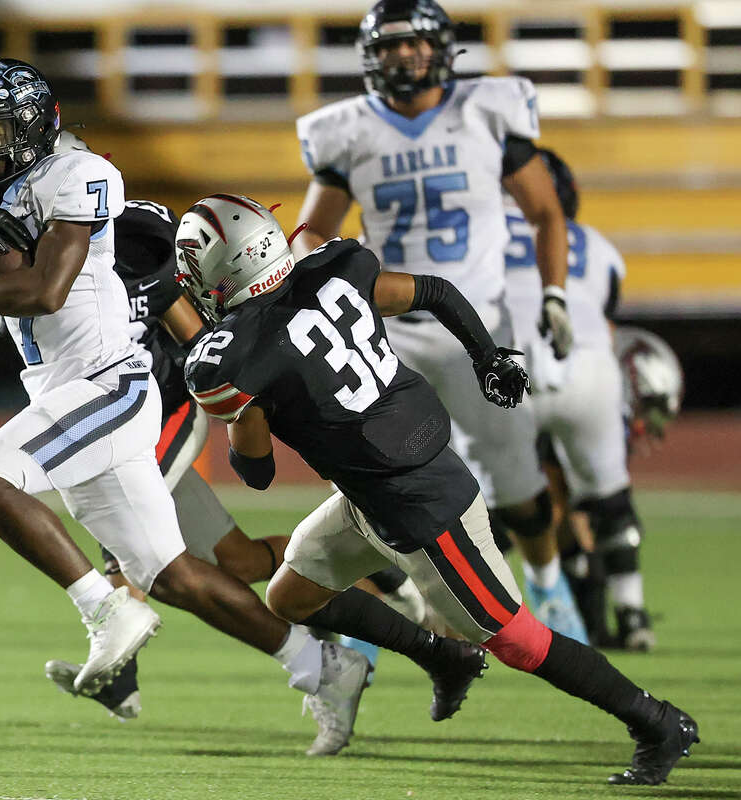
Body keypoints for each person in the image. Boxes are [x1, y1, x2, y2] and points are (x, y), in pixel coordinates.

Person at [0, 61, 483, 756]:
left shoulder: (77, 178)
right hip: (62, 393)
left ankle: (102, 612)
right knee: (176, 576)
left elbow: (47, 291)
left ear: (36, 125)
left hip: (113, 384)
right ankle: (321, 666)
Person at [177, 192, 698, 785]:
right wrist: (488, 357)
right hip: (374, 487)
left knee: (517, 639)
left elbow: (258, 474)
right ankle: (442, 656)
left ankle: (657, 722)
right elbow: (436, 292)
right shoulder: (334, 269)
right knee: (289, 596)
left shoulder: (237, 356)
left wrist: (244, 412)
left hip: (419, 505)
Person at [43, 200, 429, 724]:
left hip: (158, 410)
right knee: (240, 562)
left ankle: (123, 681)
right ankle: (368, 570)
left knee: (136, 553)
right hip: (107, 423)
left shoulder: (130, 236)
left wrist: (229, 393)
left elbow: (193, 337)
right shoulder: (37, 254)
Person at [292, 0, 588, 643]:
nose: (401, 56)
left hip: (479, 322)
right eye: (389, 46)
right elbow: (312, 228)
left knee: (515, 477)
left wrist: (555, 294)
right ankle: (395, 604)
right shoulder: (347, 132)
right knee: (376, 473)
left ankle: (548, 585)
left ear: (441, 48)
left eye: (412, 44)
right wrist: (315, 270)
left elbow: (547, 212)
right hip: (390, 328)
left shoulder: (487, 111)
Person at [503, 156, 668, 649]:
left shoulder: (485, 232)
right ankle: (633, 616)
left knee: (491, 506)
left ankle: (469, 616)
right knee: (611, 503)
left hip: (507, 367)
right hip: (588, 365)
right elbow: (604, 316)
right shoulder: (597, 245)